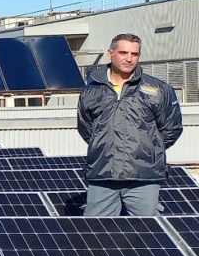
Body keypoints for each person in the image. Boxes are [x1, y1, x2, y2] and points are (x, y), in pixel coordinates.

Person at [78, 33, 183, 216]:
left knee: (148, 233)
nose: (129, 58)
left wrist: (148, 148)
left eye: (134, 54)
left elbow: (171, 128)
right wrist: (105, 146)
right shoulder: (91, 91)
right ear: (110, 53)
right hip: (103, 174)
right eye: (123, 52)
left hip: (143, 177)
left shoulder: (158, 90)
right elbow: (86, 128)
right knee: (96, 235)